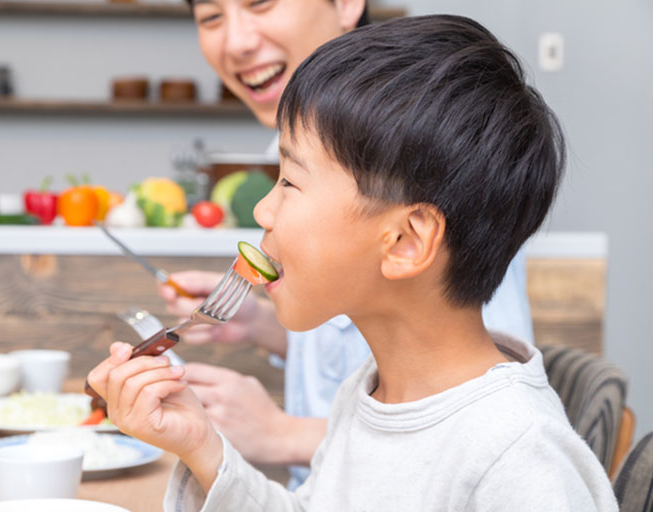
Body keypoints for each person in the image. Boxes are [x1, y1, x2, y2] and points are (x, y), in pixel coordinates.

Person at [89, 15, 618, 511]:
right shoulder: (368, 392)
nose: (262, 208)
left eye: (291, 182)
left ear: (405, 242)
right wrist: (203, 445)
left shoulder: (522, 460)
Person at [163, 0, 534, 490]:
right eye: (211, 17)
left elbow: (462, 404)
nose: (235, 41)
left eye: (260, 3)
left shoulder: (438, 164)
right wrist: (262, 325)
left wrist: (279, 432)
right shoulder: (363, 393)